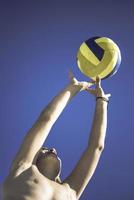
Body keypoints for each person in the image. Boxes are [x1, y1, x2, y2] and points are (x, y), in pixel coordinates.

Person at [2, 71, 111, 200]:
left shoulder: (70, 192)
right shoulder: (22, 169)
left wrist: (101, 100)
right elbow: (46, 118)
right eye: (44, 149)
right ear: (34, 158)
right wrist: (73, 89)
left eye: (45, 148)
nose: (53, 149)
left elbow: (96, 147)